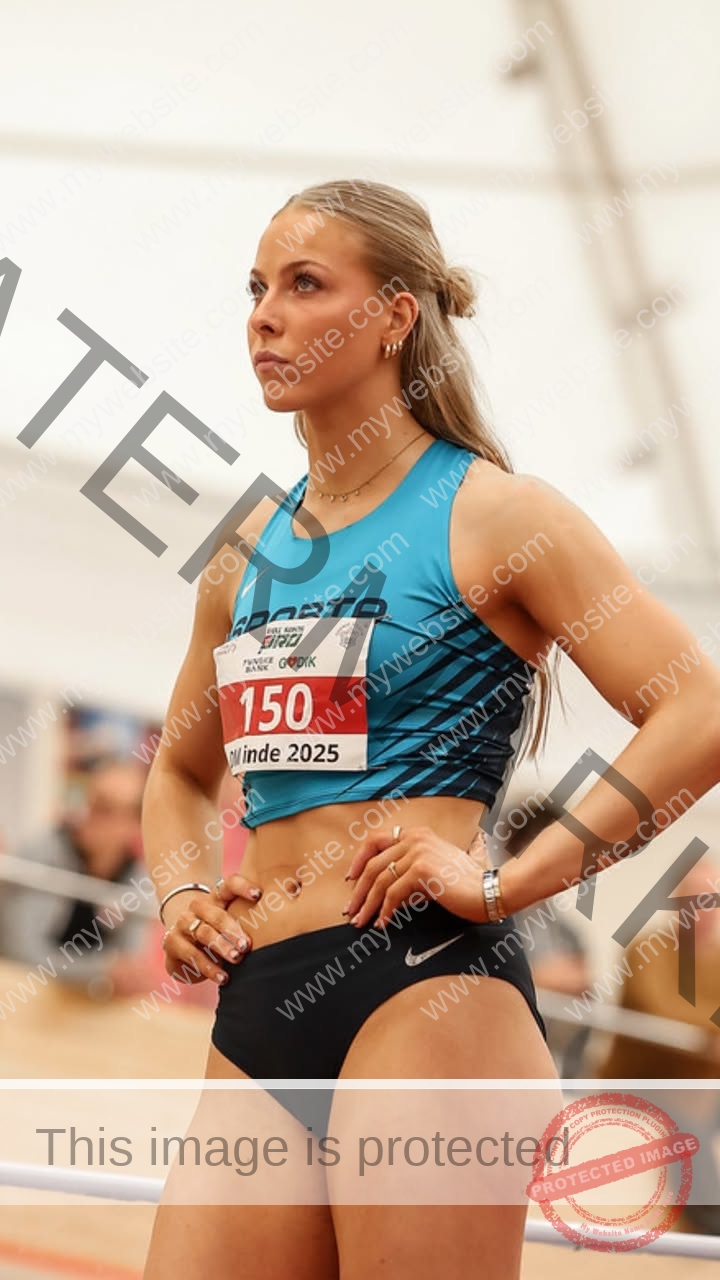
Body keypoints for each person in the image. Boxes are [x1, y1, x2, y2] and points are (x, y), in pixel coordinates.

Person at [140, 180, 720, 1279]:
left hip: (428, 987)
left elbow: (698, 709)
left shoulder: (500, 513)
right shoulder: (245, 551)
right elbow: (176, 769)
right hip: (261, 1001)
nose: (265, 316)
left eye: (305, 285)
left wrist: (513, 881)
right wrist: (178, 895)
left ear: (396, 316)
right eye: (256, 288)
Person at [0, 758, 152, 999]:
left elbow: (127, 969)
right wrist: (99, 970)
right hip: (20, 998)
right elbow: (21, 953)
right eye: (88, 799)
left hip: (82, 1009)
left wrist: (107, 974)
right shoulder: (43, 855)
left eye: (105, 808)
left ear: (134, 824)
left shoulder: (137, 880)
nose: (89, 814)